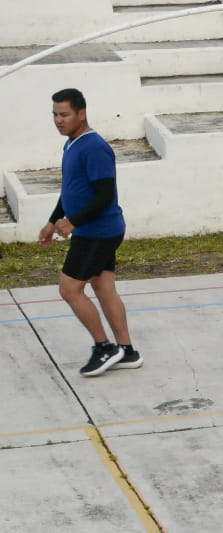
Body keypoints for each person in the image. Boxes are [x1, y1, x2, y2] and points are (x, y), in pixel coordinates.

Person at [39, 88, 138, 378]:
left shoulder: (94, 147)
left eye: (64, 114)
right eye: (55, 115)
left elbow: (105, 195)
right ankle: (127, 350)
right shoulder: (72, 144)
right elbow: (71, 189)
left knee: (69, 289)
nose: (58, 120)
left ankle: (104, 347)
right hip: (94, 230)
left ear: (82, 114)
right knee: (104, 288)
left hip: (98, 231)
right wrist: (52, 220)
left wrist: (73, 222)